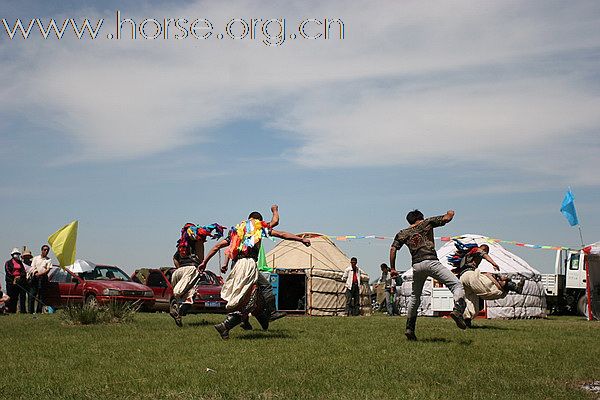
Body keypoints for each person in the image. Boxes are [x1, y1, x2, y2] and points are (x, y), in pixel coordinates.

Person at [201, 207, 310, 340]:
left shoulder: (237, 231)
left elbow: (217, 247)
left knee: (249, 298)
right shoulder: (258, 227)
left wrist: (204, 262)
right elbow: (280, 232)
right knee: (263, 289)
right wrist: (276, 211)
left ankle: (230, 325)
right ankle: (270, 313)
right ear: (259, 220)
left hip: (237, 267)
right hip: (248, 265)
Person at [390, 209, 467, 340]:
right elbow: (446, 218)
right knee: (456, 285)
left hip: (416, 266)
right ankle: (458, 311)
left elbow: (393, 249)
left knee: (415, 297)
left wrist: (392, 268)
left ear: (409, 220)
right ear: (420, 217)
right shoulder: (427, 223)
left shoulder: (403, 233)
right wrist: (451, 213)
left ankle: (410, 328)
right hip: (431, 261)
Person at [169, 223, 225, 327]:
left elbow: (174, 258)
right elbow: (200, 258)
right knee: (190, 295)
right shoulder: (198, 241)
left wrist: (179, 268)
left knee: (185, 295)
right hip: (191, 269)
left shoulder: (182, 245)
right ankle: (179, 310)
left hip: (178, 272)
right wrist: (201, 266)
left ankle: (178, 313)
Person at [455, 244, 524, 327]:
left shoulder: (466, 256)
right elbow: (483, 254)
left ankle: (467, 320)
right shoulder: (476, 250)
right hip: (470, 275)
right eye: (486, 251)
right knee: (491, 282)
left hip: (462, 279)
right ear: (484, 249)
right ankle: (514, 287)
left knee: (471, 301)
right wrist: (494, 263)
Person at [27, 245, 53, 314]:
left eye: (47, 250)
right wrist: (36, 272)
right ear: (41, 250)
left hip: (43, 278)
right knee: (32, 294)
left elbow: (48, 270)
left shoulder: (49, 260)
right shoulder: (36, 258)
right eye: (45, 250)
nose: (46, 251)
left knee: (41, 296)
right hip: (35, 278)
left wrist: (40, 274)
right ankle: (30, 311)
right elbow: (32, 267)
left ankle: (38, 311)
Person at [4, 248, 27, 313]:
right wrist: (14, 277)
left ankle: (23, 311)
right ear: (12, 255)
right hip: (10, 282)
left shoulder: (20, 263)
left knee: (22, 297)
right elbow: (8, 271)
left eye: (17, 254)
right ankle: (11, 310)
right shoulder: (8, 262)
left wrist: (19, 276)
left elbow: (23, 271)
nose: (17, 255)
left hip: (20, 281)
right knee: (12, 297)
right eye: (15, 254)